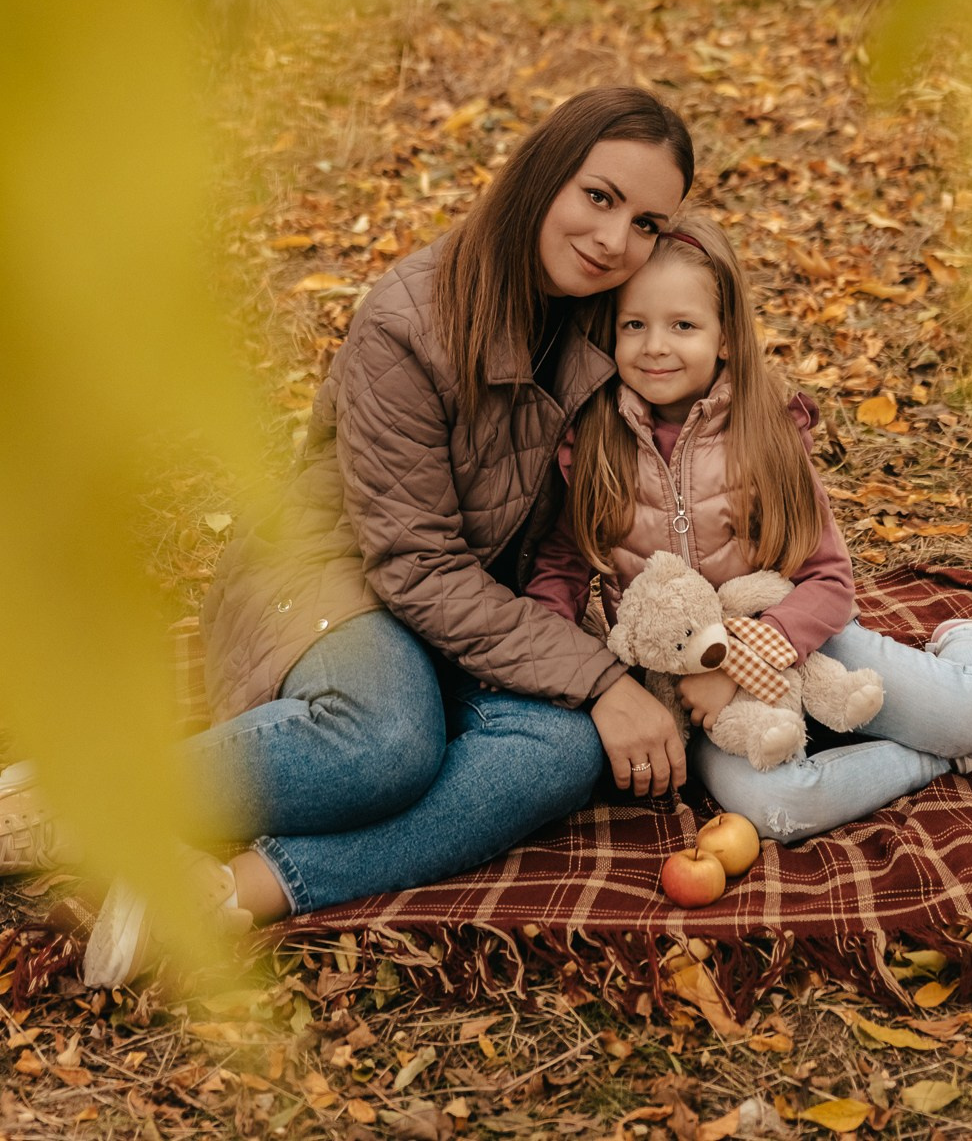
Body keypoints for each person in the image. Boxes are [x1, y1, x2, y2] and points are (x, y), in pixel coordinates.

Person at [26, 86, 698, 983]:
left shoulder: (619, 317)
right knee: (386, 744)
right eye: (599, 197)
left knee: (563, 751)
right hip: (333, 571)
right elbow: (414, 564)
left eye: (648, 223)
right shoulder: (409, 319)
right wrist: (601, 678)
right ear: (543, 174)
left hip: (475, 602)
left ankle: (236, 889)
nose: (615, 240)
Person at [525, 215, 972, 841]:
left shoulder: (766, 433)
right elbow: (560, 573)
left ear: (725, 336)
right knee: (776, 807)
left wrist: (737, 663)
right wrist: (580, 678)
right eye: (634, 325)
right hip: (688, 688)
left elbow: (828, 579)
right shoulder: (593, 442)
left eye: (682, 325)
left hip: (805, 639)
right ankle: (954, 757)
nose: (655, 345)